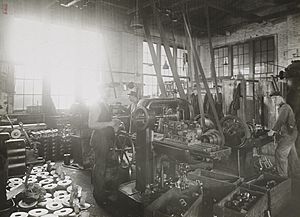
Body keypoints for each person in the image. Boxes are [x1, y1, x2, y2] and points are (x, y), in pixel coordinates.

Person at [88, 82, 122, 203]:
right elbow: (91, 124)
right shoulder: (96, 105)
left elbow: (104, 120)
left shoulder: (105, 104)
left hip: (106, 139)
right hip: (99, 140)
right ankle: (99, 196)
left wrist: (114, 123)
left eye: (109, 91)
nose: (108, 93)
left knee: (103, 166)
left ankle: (102, 190)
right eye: (106, 91)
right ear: (100, 92)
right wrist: (110, 124)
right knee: (100, 167)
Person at [268, 91, 300, 177]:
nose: (274, 101)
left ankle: (282, 177)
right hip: (292, 134)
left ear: (280, 98)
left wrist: (273, 130)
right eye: (272, 100)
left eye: (275, 99)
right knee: (292, 154)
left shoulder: (285, 107)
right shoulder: (283, 107)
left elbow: (281, 120)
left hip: (289, 135)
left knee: (280, 153)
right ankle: (296, 173)